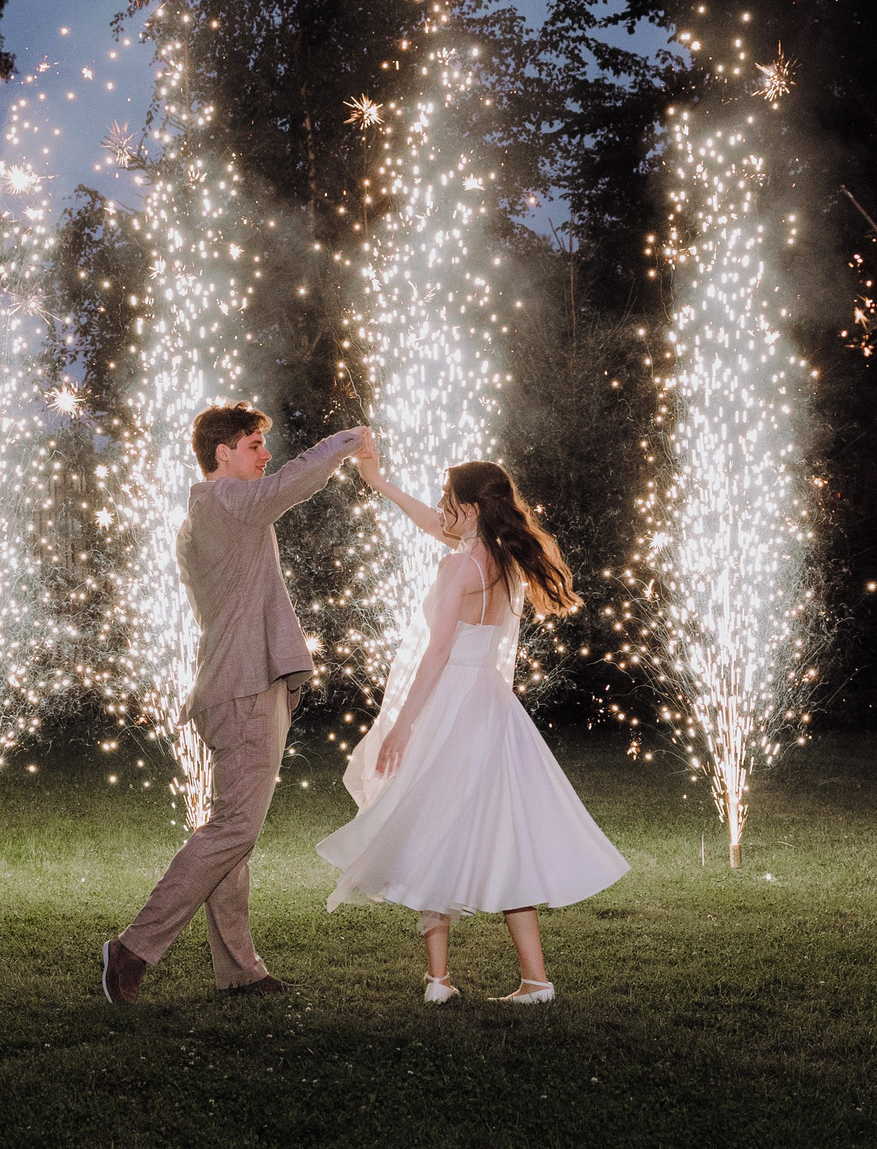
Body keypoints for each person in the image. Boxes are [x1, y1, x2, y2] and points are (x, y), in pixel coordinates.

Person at [317, 449, 626, 1003]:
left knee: (431, 824)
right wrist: (380, 484)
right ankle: (534, 979)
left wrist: (404, 724)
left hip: (452, 700)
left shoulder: (458, 565)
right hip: (493, 705)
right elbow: (432, 524)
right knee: (499, 830)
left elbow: (436, 653)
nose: (439, 509)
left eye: (448, 501)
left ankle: (440, 980)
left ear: (470, 508)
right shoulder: (502, 559)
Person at [101, 406, 367, 1004]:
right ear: (222, 453)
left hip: (239, 685)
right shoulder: (224, 503)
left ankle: (239, 971)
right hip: (242, 688)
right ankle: (133, 949)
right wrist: (347, 442)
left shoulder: (211, 513)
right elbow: (290, 482)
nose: (264, 454)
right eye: (253, 445)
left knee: (232, 830)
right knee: (234, 830)